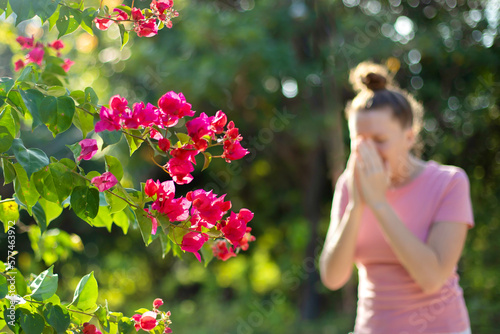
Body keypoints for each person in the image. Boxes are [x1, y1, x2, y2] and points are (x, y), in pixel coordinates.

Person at [319, 61, 474, 334]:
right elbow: (332, 277)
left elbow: (432, 278)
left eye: (379, 140)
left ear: (409, 137)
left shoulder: (449, 183)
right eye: (359, 140)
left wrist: (379, 203)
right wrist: (357, 205)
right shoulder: (349, 185)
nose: (368, 151)